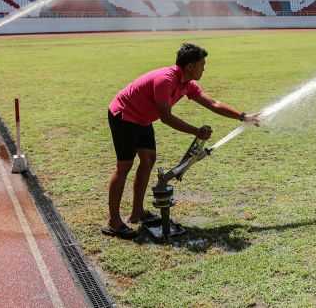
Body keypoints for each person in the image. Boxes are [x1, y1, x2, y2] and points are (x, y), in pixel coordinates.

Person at [103, 43, 260, 239]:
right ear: (190, 66)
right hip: (124, 115)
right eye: (202, 64)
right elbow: (166, 117)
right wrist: (196, 131)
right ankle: (114, 222)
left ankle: (137, 213)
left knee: (148, 160)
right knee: (124, 166)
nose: (204, 67)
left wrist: (242, 116)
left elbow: (212, 103)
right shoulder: (165, 80)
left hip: (142, 118)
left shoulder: (187, 84)